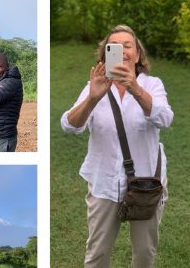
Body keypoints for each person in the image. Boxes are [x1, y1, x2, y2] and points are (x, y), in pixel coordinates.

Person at [61, 25, 174, 268]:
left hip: (146, 184)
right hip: (104, 184)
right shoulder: (94, 87)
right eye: (115, 47)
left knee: (144, 255)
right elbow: (69, 125)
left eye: (128, 46)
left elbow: (165, 118)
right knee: (97, 255)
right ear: (105, 56)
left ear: (138, 54)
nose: (122, 51)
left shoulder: (152, 84)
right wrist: (92, 99)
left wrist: (134, 88)